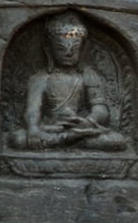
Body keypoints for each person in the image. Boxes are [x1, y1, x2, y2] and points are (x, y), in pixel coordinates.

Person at [9, 11, 127, 151]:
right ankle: (67, 139)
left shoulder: (88, 75)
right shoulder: (41, 78)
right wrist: (33, 129)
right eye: (61, 48)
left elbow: (100, 109)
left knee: (117, 141)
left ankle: (66, 140)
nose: (69, 53)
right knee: (18, 139)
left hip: (81, 129)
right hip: (50, 128)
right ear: (49, 50)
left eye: (74, 48)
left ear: (83, 50)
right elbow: (32, 110)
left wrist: (88, 121)